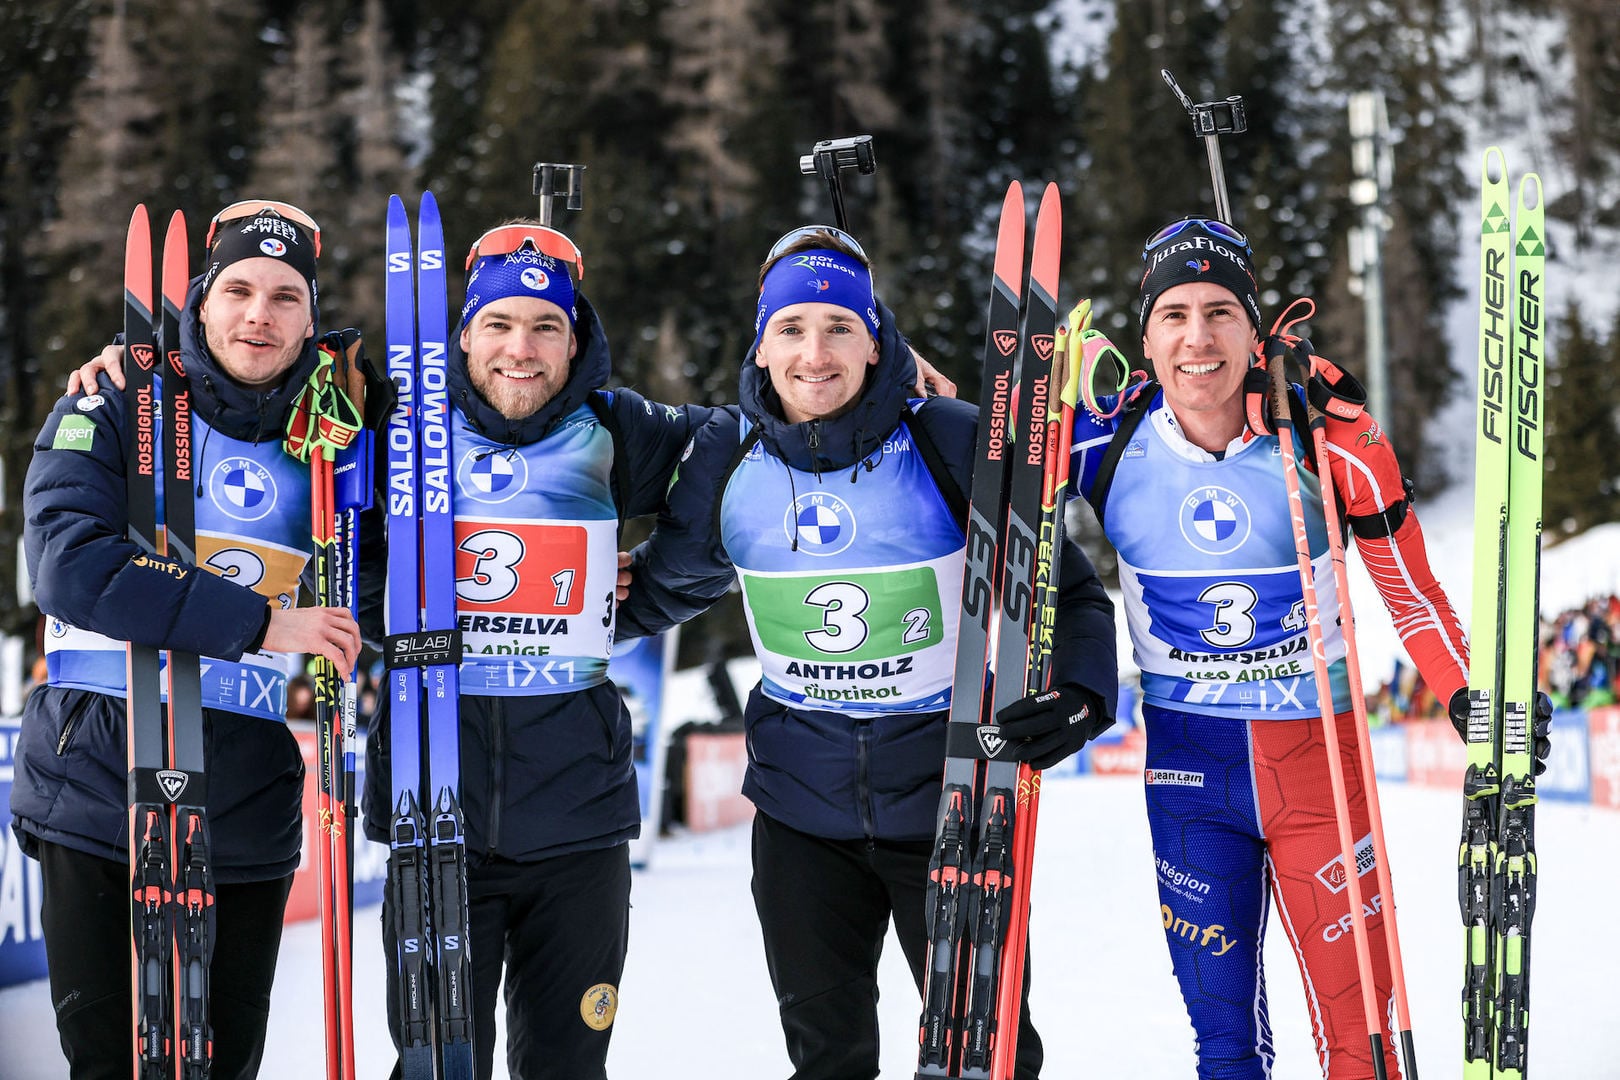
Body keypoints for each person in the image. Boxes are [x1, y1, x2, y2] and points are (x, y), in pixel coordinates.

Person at [617, 226, 1121, 1080]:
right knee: (827, 1060)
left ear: (875, 337)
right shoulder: (725, 460)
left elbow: (1066, 594)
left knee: (986, 1058)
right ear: (761, 340)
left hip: (956, 807)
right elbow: (659, 592)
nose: (815, 353)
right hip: (798, 819)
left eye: (840, 327)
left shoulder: (953, 440)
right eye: (792, 328)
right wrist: (547, 600)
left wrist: (1078, 695)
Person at [1066, 216, 1543, 1078]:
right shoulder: (1099, 441)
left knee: (1364, 1044)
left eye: (1221, 312)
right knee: (1224, 1048)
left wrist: (1477, 695)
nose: (1199, 337)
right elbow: (975, 483)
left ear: (1258, 329)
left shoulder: (1332, 443)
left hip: (1319, 765)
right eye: (1174, 315)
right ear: (1146, 338)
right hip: (1188, 776)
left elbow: (1412, 594)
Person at [12, 200, 363, 1080]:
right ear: (199, 302)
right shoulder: (110, 402)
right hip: (98, 774)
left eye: (287, 297)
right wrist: (261, 623)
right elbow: (69, 569)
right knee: (109, 1059)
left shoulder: (334, 437)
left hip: (246, 789)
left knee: (225, 1062)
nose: (259, 314)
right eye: (239, 289)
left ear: (312, 322)